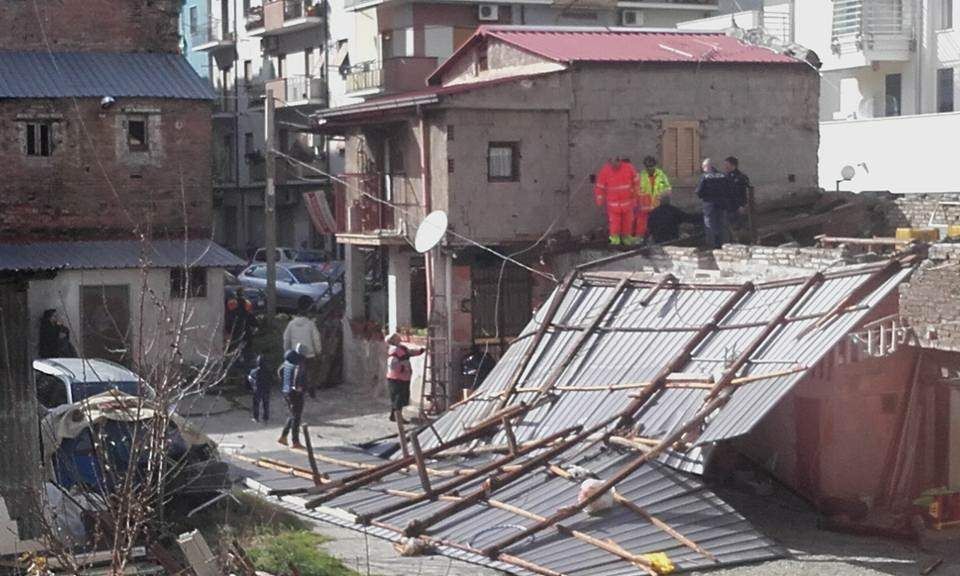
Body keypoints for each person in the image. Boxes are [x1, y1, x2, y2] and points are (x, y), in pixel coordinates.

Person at [594, 156, 640, 246]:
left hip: (627, 203)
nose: (614, 165)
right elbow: (600, 186)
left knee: (627, 222)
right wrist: (599, 198)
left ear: (620, 161)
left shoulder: (628, 168)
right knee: (615, 223)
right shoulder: (605, 171)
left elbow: (636, 182)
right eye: (612, 163)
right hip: (613, 205)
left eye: (616, 163)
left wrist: (635, 196)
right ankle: (615, 239)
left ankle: (626, 238)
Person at [283, 299, 323, 397]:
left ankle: (297, 388)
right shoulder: (310, 324)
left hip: (296, 353)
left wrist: (287, 351)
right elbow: (316, 338)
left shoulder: (291, 324)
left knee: (297, 371)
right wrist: (318, 351)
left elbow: (286, 338)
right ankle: (310, 387)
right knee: (311, 372)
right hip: (309, 353)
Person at [385, 333, 425, 423]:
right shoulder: (394, 349)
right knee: (398, 398)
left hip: (402, 377)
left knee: (398, 397)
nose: (399, 338)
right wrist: (402, 369)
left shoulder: (401, 348)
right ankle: (398, 418)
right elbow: (392, 363)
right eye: (396, 337)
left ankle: (393, 416)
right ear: (393, 340)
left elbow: (410, 352)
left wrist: (420, 351)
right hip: (397, 378)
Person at [695, 158, 731, 249]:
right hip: (722, 205)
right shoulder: (723, 175)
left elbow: (699, 191)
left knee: (709, 225)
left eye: (703, 167)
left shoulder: (705, 177)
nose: (703, 169)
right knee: (722, 225)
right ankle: (724, 245)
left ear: (707, 167)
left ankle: (712, 246)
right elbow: (729, 189)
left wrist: (705, 196)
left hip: (709, 205)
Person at [277, 344, 306, 448]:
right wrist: (298, 387)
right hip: (295, 394)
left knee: (293, 415)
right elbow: (298, 377)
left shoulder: (286, 362)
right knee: (296, 417)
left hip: (286, 391)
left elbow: (280, 372)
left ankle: (283, 437)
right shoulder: (298, 364)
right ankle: (295, 441)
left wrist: (286, 384)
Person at [637, 156, 672, 240]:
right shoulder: (640, 176)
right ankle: (641, 239)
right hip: (644, 207)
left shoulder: (661, 175)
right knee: (642, 224)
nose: (649, 168)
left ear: (655, 165)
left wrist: (664, 197)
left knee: (658, 223)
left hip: (657, 205)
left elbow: (668, 188)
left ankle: (658, 238)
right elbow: (636, 190)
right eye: (647, 166)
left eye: (651, 166)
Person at [226, 287, 258, 366]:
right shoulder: (246, 303)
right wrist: (255, 325)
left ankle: (237, 362)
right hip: (244, 329)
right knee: (245, 346)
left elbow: (228, 317)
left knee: (235, 346)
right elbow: (250, 316)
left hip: (235, 330)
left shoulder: (230, 304)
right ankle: (244, 361)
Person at [723, 156, 752, 235]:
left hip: (738, 207)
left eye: (727, 165)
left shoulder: (741, 177)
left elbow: (746, 192)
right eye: (725, 165)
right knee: (728, 229)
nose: (725, 167)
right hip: (728, 207)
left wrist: (743, 205)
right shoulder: (725, 177)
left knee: (739, 227)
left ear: (733, 165)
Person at [247, 355, 273, 423]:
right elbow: (271, 379)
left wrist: (252, 384)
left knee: (256, 404)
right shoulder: (268, 370)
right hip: (266, 389)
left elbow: (250, 378)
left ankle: (256, 418)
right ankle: (266, 418)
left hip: (257, 390)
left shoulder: (254, 371)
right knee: (266, 404)